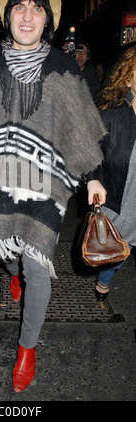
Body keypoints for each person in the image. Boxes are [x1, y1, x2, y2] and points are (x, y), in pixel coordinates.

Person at [0, 0, 106, 392]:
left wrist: (92, 177)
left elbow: (81, 127)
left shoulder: (62, 68)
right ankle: (12, 272)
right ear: (9, 16)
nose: (27, 15)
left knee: (37, 264)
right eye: (19, 6)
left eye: (36, 9)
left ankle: (27, 349)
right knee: (5, 255)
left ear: (46, 20)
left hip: (42, 180)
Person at [87, 44, 136, 302]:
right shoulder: (110, 118)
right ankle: (105, 279)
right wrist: (93, 179)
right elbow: (89, 149)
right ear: (128, 79)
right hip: (121, 204)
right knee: (118, 253)